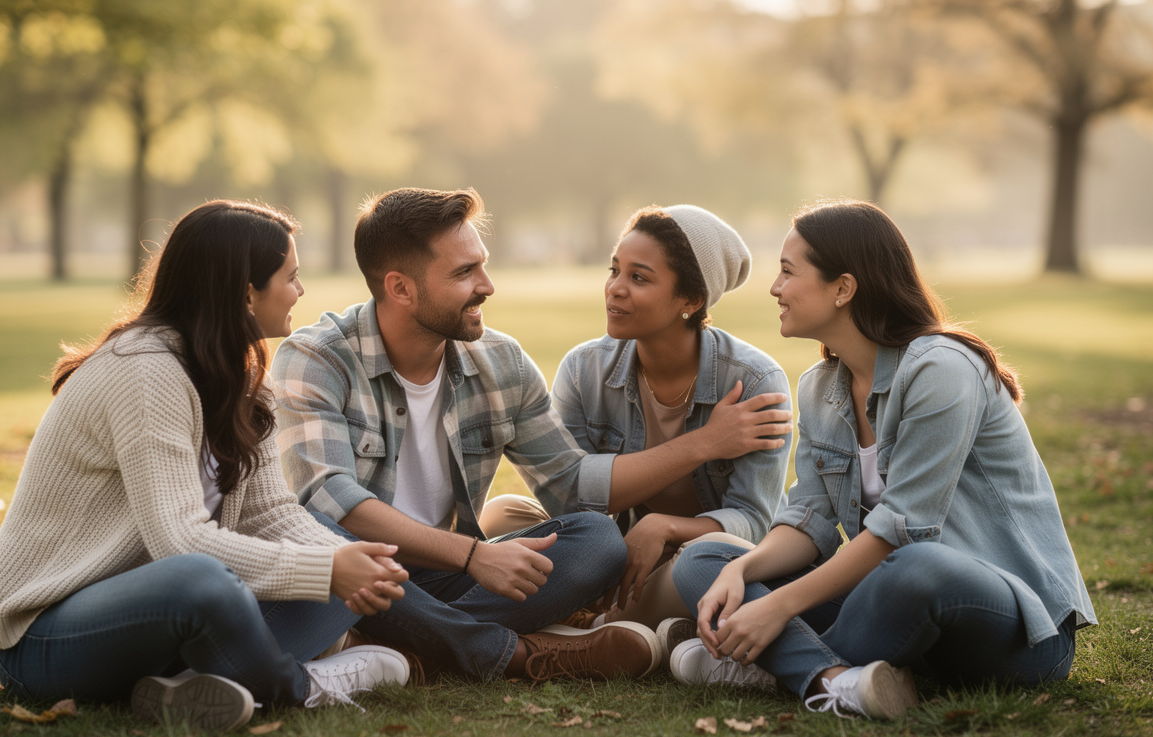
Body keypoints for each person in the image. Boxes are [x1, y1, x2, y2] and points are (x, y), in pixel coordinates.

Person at [270, 187, 787, 683]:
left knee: (597, 540)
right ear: (401, 287)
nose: (488, 285)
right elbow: (330, 497)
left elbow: (570, 485)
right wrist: (475, 555)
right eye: (465, 272)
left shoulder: (501, 361)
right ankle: (509, 654)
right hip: (350, 571)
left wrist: (702, 447)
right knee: (321, 526)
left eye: (483, 264)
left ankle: (398, 639)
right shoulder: (317, 357)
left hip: (441, 574)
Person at [0, 200, 412, 733]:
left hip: (160, 628)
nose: (300, 290)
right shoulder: (145, 373)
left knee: (339, 551)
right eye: (290, 277)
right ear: (244, 292)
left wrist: (344, 562)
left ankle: (190, 688)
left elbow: (272, 513)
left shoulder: (241, 375)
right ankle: (303, 686)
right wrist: (326, 570)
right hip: (46, 640)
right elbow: (178, 542)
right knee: (201, 578)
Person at [669, 199, 1097, 719]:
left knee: (917, 566)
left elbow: (902, 529)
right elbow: (808, 521)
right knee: (706, 557)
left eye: (787, 271)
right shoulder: (821, 389)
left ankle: (772, 665)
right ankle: (834, 679)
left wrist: (775, 607)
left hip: (1018, 635)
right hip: (899, 613)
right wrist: (746, 571)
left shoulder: (941, 370)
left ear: (844, 288)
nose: (775, 288)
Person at [480, 205, 792, 656]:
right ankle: (609, 625)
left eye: (640, 278)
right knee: (504, 514)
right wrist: (703, 443)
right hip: (621, 551)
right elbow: (568, 499)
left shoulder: (755, 382)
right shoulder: (585, 368)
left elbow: (752, 523)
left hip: (698, 559)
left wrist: (665, 528)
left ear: (691, 300)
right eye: (614, 271)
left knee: (713, 554)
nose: (615, 290)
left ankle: (590, 624)